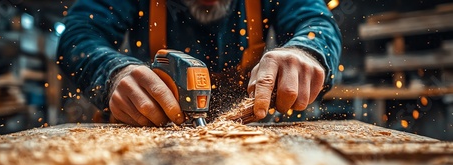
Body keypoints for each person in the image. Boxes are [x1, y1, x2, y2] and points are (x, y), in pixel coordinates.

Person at [57, 0, 342, 126]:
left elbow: (315, 22)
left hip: (253, 134)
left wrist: (307, 51)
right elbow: (79, 35)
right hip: (152, 129)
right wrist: (112, 72)